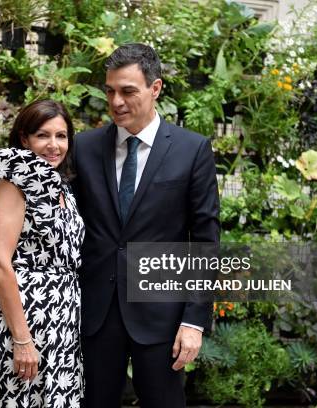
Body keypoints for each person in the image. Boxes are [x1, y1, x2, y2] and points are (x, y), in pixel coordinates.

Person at [72, 43, 219, 407]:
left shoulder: (192, 149)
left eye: (128, 91)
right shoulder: (83, 148)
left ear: (155, 89)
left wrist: (194, 321)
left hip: (162, 317)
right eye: (110, 91)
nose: (116, 101)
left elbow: (205, 240)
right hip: (96, 315)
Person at [0, 99, 85, 408]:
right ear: (24, 139)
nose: (53, 145)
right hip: (21, 323)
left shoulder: (62, 188)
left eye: (61, 136)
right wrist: (22, 340)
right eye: (43, 135)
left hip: (60, 325)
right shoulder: (14, 184)